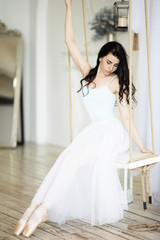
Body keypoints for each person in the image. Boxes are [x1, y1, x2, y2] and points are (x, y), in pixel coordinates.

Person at [14, 0, 152, 237]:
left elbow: (126, 118)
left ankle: (42, 210)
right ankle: (33, 208)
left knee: (72, 162)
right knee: (64, 160)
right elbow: (70, 42)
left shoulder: (115, 83)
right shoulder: (87, 73)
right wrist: (68, 8)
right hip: (93, 131)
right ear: (101, 58)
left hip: (110, 132)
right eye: (109, 62)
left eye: (115, 65)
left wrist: (141, 147)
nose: (111, 67)